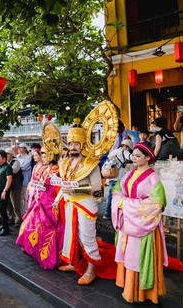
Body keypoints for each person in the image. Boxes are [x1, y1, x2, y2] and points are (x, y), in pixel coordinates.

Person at [111, 142, 167, 303]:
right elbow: (117, 191)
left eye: (137, 156)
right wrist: (124, 202)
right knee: (128, 255)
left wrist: (125, 204)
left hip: (144, 225)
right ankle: (128, 287)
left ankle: (143, 293)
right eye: (132, 155)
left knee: (138, 256)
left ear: (148, 157)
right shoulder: (128, 174)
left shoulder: (153, 177)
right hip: (130, 222)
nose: (133, 158)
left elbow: (157, 203)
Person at [57, 121, 103, 285]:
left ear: (83, 145)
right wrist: (59, 198)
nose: (73, 147)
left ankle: (91, 271)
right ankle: (72, 263)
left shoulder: (92, 163)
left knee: (87, 238)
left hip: (85, 206)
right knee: (72, 235)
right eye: (70, 144)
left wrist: (75, 191)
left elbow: (97, 187)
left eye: (76, 143)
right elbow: (64, 185)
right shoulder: (66, 164)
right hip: (70, 204)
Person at [16, 147, 64, 269]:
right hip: (39, 199)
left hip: (50, 201)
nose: (44, 159)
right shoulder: (44, 168)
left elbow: (57, 187)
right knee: (29, 225)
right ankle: (31, 248)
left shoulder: (57, 169)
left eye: (46, 156)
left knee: (48, 229)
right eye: (42, 156)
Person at [103, 139, 133, 220]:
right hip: (119, 178)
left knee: (110, 195)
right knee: (119, 197)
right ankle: (115, 214)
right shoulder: (125, 152)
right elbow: (132, 158)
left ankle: (107, 212)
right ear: (126, 146)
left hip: (111, 177)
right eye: (129, 148)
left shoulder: (114, 151)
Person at [0, 150, 13, 236]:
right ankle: (3, 225)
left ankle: (6, 228)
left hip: (3, 192)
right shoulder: (0, 166)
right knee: (0, 209)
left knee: (3, 209)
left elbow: (9, 180)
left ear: (4, 158)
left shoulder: (7, 167)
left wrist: (5, 191)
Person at [6, 148, 22, 228]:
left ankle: (18, 219)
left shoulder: (16, 162)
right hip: (7, 185)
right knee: (8, 202)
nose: (6, 156)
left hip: (15, 185)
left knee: (15, 202)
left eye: (8, 154)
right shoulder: (5, 163)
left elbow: (13, 170)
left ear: (11, 155)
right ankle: (10, 217)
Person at [16, 143, 32, 211]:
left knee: (25, 197)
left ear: (25, 149)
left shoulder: (29, 157)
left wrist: (16, 168)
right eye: (18, 147)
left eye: (21, 147)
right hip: (18, 179)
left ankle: (26, 212)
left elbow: (24, 167)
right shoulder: (17, 157)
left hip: (25, 179)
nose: (19, 149)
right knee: (18, 197)